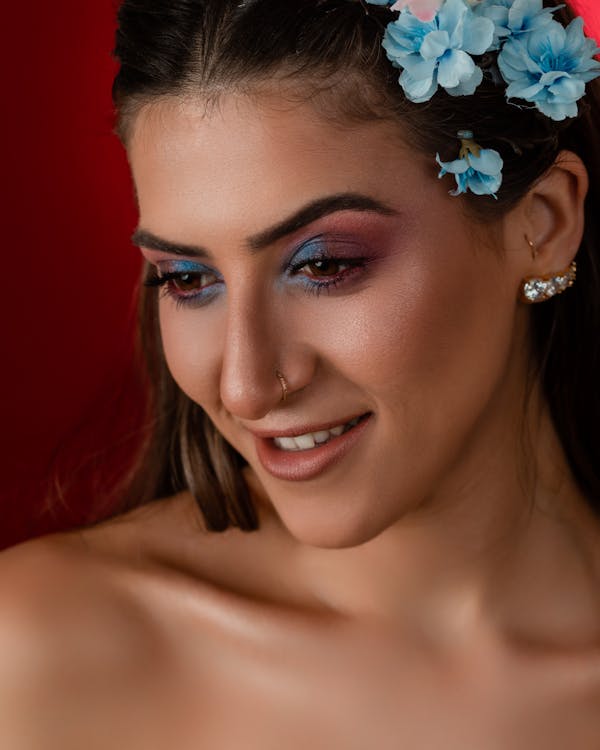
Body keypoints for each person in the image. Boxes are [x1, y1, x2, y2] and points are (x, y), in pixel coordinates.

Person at [1, 0, 599, 746]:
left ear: (541, 223)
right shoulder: (39, 655)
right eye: (188, 279)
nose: (246, 386)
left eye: (324, 265)